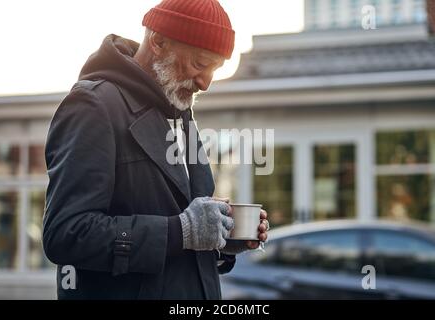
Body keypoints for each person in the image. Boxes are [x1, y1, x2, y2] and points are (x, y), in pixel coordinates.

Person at [43, 0, 269, 300]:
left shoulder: (180, 113)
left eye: (215, 69)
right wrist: (181, 231)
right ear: (159, 42)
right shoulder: (93, 106)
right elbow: (66, 234)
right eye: (200, 64)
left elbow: (182, 236)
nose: (205, 83)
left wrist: (221, 239)